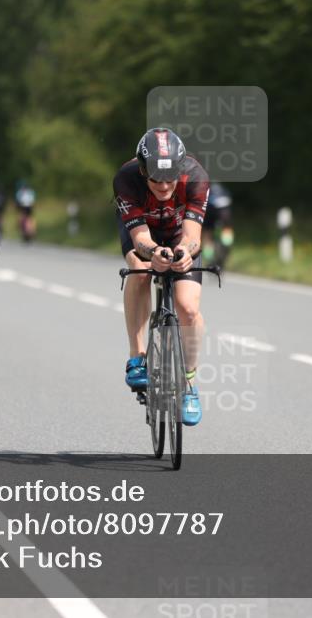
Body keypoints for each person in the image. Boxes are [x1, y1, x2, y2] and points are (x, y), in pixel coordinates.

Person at [113, 127, 210, 425]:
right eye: (156, 177)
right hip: (144, 233)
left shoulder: (196, 177)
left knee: (189, 308)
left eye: (170, 177)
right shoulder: (126, 179)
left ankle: (190, 384)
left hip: (180, 235)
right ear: (143, 171)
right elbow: (139, 237)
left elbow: (193, 236)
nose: (165, 185)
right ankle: (137, 357)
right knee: (140, 269)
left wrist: (183, 253)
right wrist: (153, 251)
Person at [201, 181, 233, 269]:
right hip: (224, 212)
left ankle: (209, 258)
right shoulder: (223, 190)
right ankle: (227, 243)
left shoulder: (207, 190)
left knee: (207, 235)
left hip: (210, 213)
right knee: (227, 228)